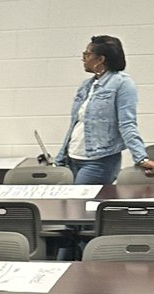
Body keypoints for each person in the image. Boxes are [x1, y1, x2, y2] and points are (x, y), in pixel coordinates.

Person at [55, 35, 154, 184]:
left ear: (100, 59)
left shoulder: (122, 84)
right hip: (72, 158)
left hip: (99, 161)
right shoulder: (87, 85)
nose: (83, 59)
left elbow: (127, 124)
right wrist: (60, 156)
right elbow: (75, 124)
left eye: (87, 55)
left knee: (79, 204)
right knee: (70, 205)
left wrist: (141, 158)